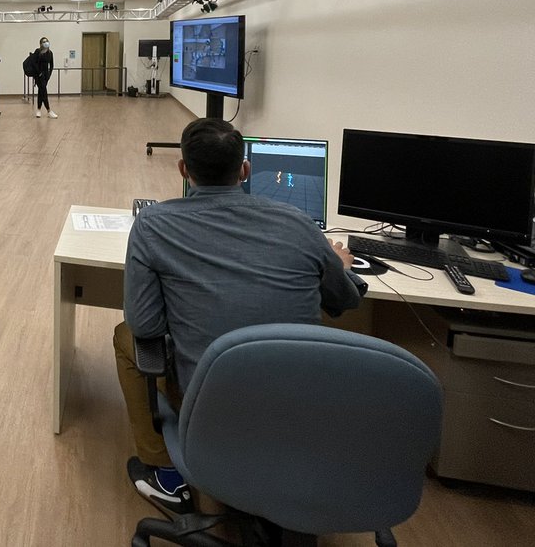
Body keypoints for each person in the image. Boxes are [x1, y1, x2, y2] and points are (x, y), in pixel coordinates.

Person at [114, 117, 364, 517]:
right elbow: (345, 300)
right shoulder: (298, 223)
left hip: (212, 400)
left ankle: (166, 473)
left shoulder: (153, 224)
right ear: (245, 170)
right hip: (301, 403)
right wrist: (340, 264)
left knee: (126, 335)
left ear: (183, 169)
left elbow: (145, 325)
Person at [32, 36, 57, 118]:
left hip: (46, 75)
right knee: (44, 91)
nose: (46, 43)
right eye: (44, 41)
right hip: (38, 75)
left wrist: (49, 74)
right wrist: (39, 73)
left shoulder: (50, 53)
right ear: (41, 44)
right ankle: (49, 110)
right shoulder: (37, 51)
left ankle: (38, 110)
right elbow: (34, 63)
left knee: (41, 91)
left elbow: (51, 65)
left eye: (46, 41)